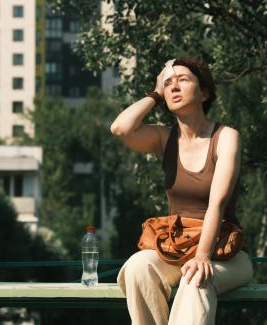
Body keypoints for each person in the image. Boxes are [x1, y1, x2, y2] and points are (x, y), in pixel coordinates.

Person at [110, 57, 253, 325]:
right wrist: (154, 93)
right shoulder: (164, 139)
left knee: (195, 279)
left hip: (225, 254)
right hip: (177, 248)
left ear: (204, 93)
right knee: (138, 267)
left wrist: (202, 256)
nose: (173, 87)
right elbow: (120, 128)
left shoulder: (226, 137)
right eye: (168, 84)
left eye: (183, 80)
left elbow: (217, 203)